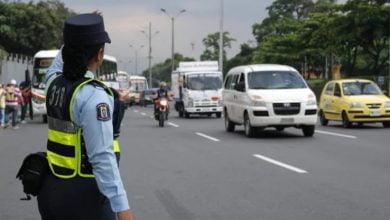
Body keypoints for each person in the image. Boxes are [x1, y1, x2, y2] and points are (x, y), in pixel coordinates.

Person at [37, 13, 134, 220]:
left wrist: (76, 36)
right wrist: (122, 208)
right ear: (100, 54)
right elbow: (101, 157)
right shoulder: (94, 96)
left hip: (51, 189)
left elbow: (59, 62)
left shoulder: (53, 82)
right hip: (85, 197)